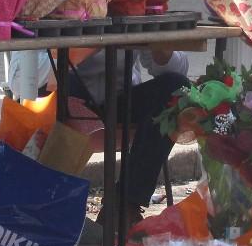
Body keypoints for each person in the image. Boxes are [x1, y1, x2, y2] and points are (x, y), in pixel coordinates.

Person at [61, 46, 189, 229]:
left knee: (176, 87)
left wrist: (163, 52)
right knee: (62, 80)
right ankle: (48, 207)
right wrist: (85, 46)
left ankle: (125, 203)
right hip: (67, 99)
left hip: (120, 99)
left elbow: (177, 71)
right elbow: (25, 76)